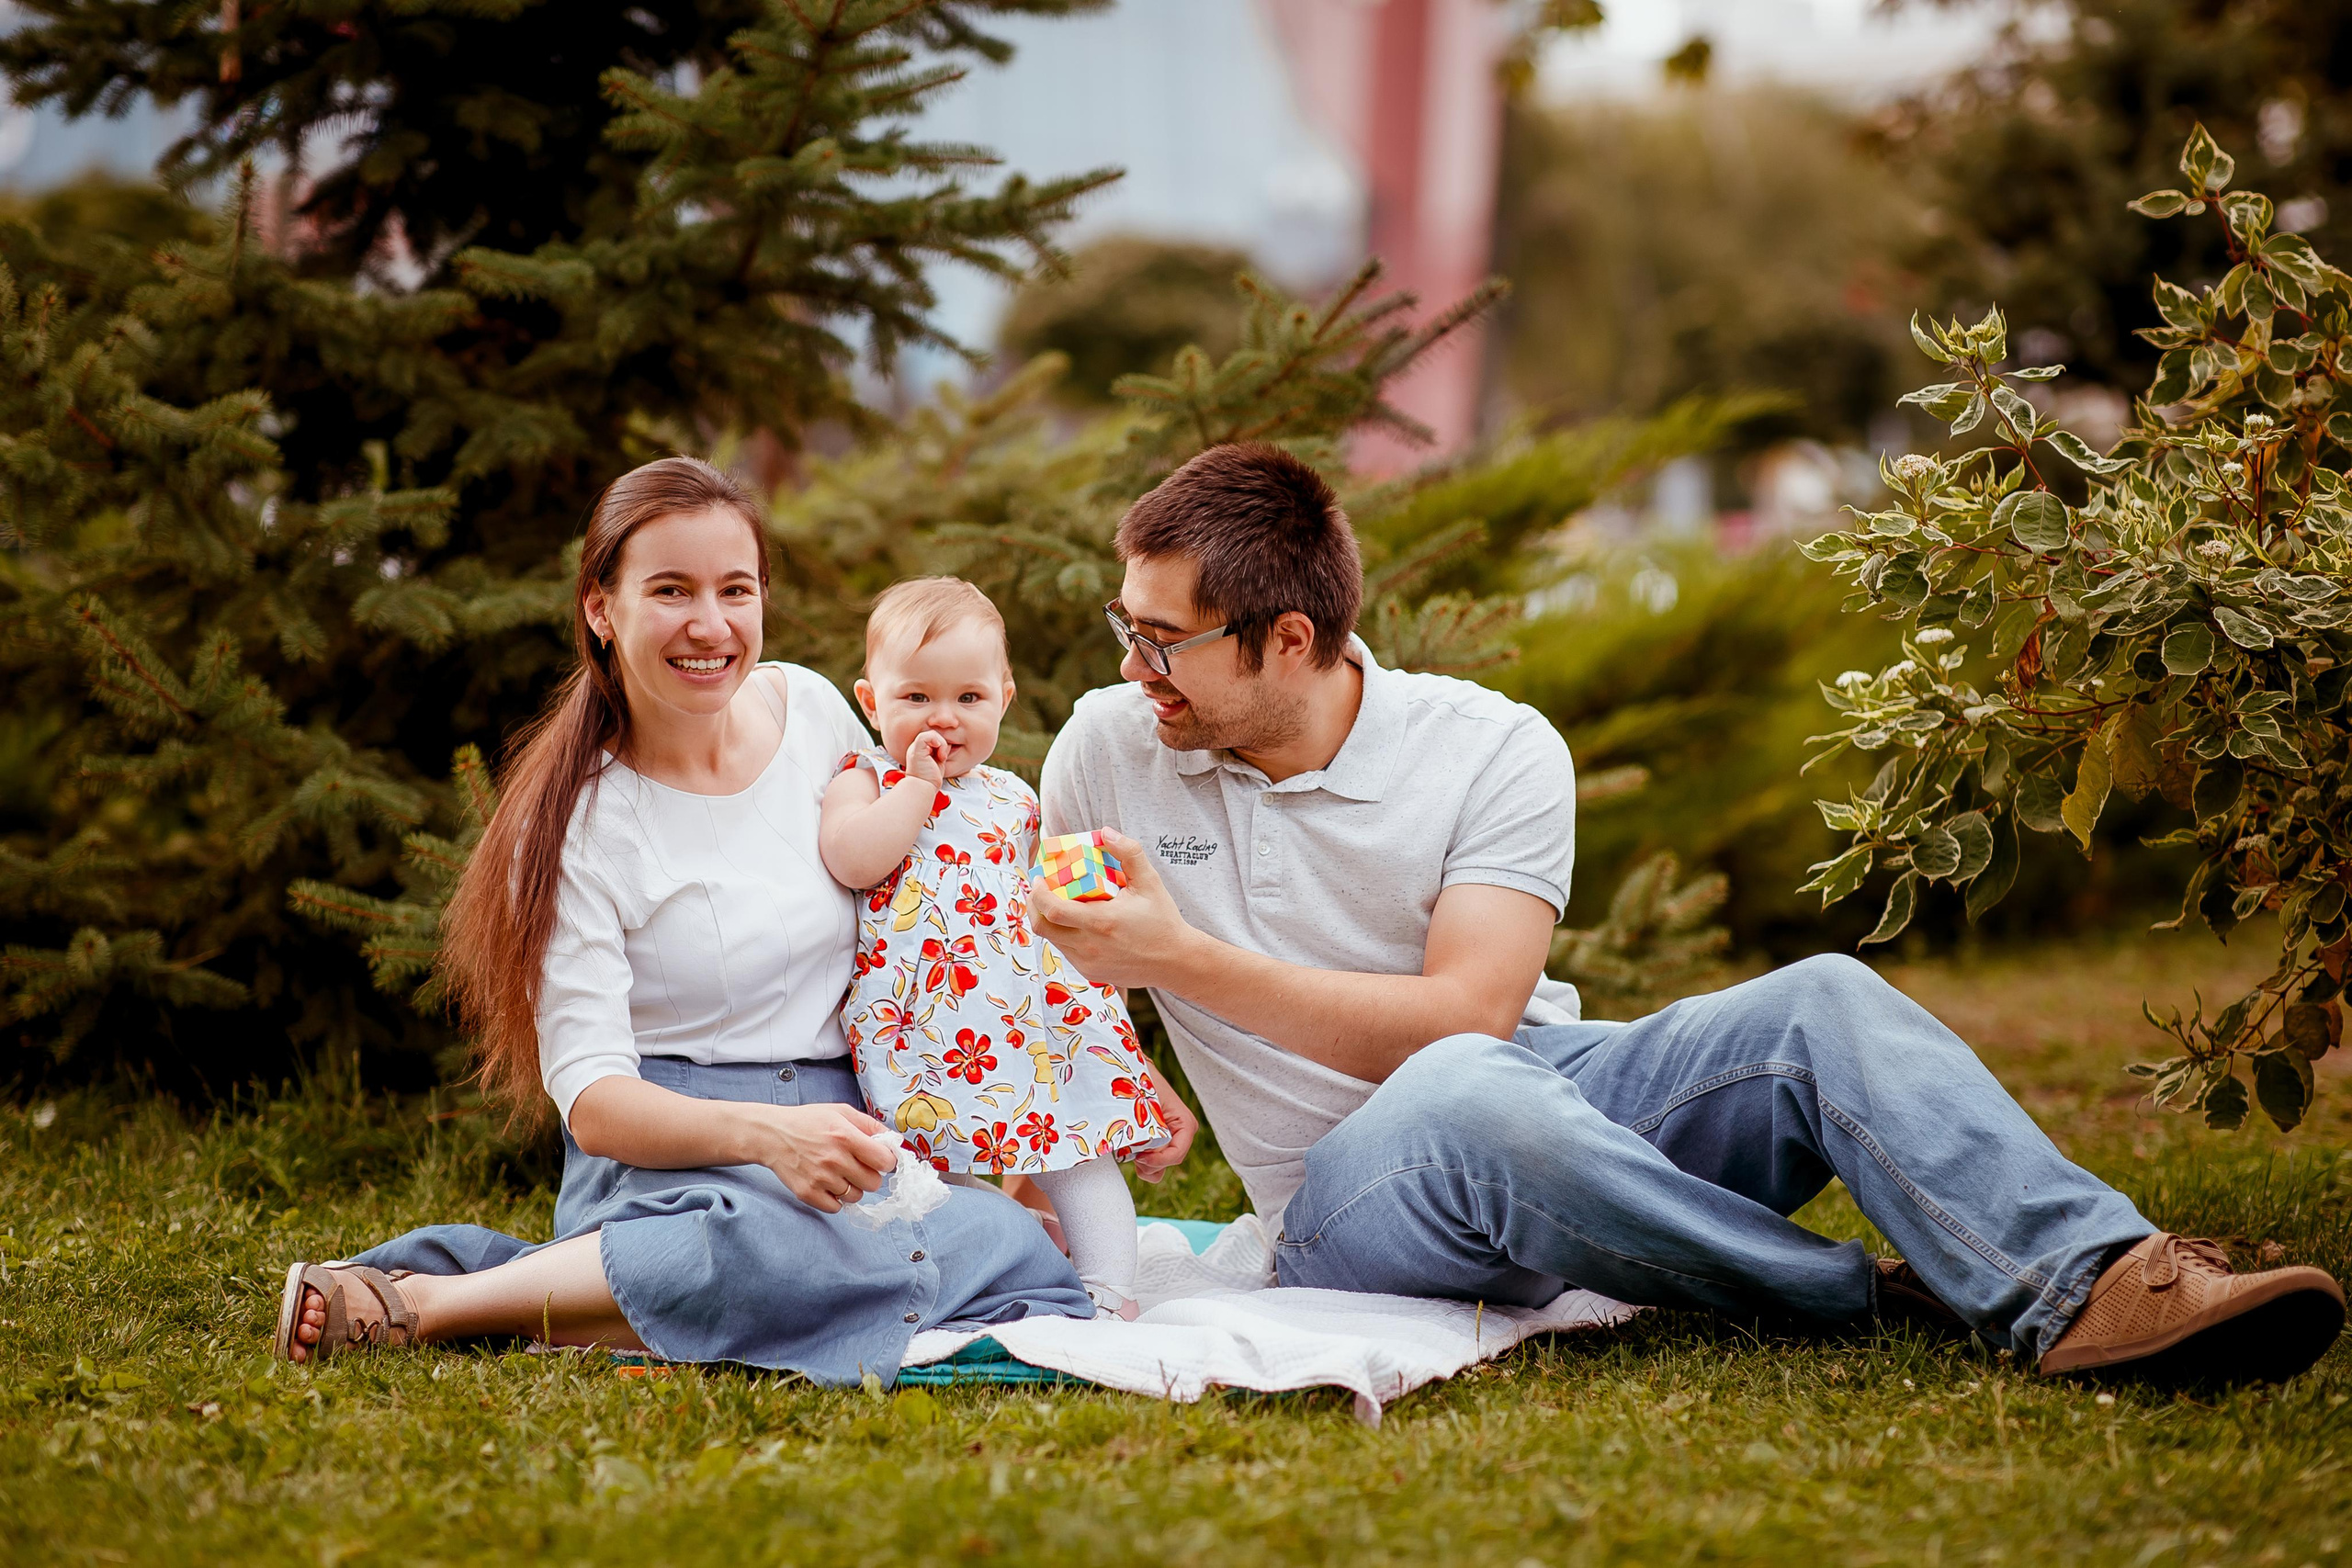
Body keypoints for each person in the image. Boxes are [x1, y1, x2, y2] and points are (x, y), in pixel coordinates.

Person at [1027, 440, 2347, 1388]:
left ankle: (2092, 1281)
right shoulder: (1112, 747)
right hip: (1346, 1202)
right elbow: (1029, 986)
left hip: (1539, 1088)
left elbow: (1467, 1015)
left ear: (1289, 638)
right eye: (1126, 627)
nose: (1133, 667)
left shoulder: (1489, 748)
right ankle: (1858, 1293)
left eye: (1163, 640)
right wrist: (1032, 1183)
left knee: (1818, 999)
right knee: (1472, 1097)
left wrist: (1183, 958)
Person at [274, 457, 1098, 1381]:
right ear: (601, 607)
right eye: (671, 590)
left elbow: (938, 916)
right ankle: (432, 1305)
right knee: (739, 1249)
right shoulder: (577, 823)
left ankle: (546, 1288)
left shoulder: (812, 711)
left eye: (734, 590)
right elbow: (595, 1104)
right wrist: (768, 1137)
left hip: (849, 1139)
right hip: (675, 1166)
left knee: (1007, 1243)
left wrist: (1001, 1136)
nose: (710, 626)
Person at [820, 576, 1172, 1319]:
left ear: (1003, 700)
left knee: (1074, 1148)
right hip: (922, 1022)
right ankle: (1019, 1247)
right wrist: (916, 787)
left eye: (969, 697)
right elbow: (853, 859)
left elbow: (1041, 898)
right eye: (917, 696)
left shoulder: (1015, 796)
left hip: (1023, 1013)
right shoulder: (866, 778)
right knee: (932, 1170)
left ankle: (1111, 1290)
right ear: (871, 701)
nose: (943, 716)